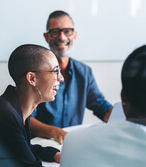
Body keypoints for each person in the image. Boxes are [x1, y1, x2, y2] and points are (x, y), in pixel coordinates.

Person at [30, 10, 113, 144]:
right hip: (40, 147)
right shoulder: (35, 73)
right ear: (46, 37)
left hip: (71, 146)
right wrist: (56, 132)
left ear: (74, 35)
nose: (62, 37)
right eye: (55, 32)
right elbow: (25, 118)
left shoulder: (84, 72)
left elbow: (101, 106)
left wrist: (123, 120)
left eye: (67, 31)